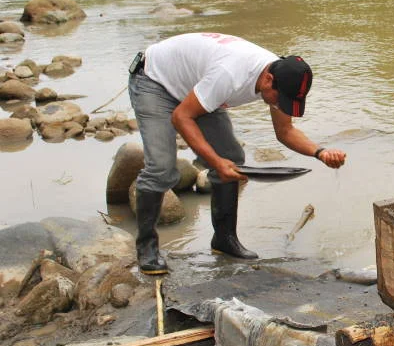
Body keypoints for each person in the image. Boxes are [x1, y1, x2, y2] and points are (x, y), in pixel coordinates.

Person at [127, 32, 346, 275]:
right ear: (268, 80)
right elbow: (181, 117)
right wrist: (215, 162)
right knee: (161, 167)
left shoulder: (279, 77)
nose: (280, 105)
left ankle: (224, 240)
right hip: (154, 82)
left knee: (231, 157)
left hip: (197, 87)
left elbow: (285, 131)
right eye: (280, 99)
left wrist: (321, 152)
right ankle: (146, 247)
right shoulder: (230, 74)